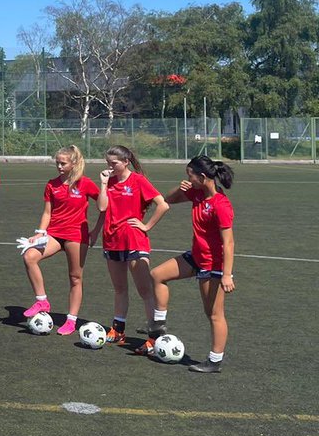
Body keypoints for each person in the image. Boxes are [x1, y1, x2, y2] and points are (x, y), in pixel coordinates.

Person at [146, 156, 236, 372]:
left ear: (203, 177)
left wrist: (226, 274)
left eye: (190, 176)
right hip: (196, 256)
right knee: (157, 275)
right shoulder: (197, 193)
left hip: (212, 264)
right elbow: (170, 199)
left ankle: (215, 361)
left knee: (214, 314)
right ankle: (159, 323)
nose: (188, 179)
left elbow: (229, 242)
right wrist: (181, 187)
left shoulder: (220, 205)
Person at [88, 144, 169, 348]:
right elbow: (102, 207)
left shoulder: (138, 181)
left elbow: (163, 205)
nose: (110, 167)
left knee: (144, 290)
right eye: (107, 163)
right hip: (112, 240)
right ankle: (118, 330)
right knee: (119, 288)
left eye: (113, 163)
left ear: (126, 162)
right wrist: (104, 184)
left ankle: (154, 337)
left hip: (134, 240)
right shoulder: (109, 182)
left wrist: (146, 225)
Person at [19, 146, 100, 336]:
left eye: (63, 163)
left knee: (75, 277)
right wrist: (40, 232)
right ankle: (42, 300)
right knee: (29, 256)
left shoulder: (85, 184)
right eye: (57, 162)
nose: (59, 166)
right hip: (54, 234)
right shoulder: (51, 184)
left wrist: (96, 231)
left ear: (73, 164)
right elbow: (47, 212)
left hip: (77, 235)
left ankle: (71, 320)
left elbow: (103, 206)